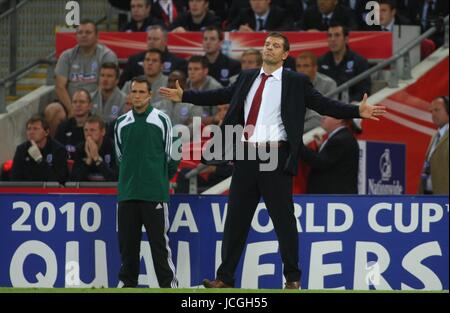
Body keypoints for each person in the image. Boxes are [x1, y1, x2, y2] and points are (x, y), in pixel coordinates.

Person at [160, 32, 386, 289]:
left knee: (283, 220)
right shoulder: (246, 77)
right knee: (235, 219)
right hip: (245, 155)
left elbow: (324, 105)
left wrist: (356, 110)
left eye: (276, 46)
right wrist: (186, 96)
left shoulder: (295, 81)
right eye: (267, 44)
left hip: (275, 156)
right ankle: (224, 278)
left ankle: (292, 278)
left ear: (285, 54)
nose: (269, 48)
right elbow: (221, 95)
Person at [114, 76, 179, 288]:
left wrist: (158, 179)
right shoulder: (120, 123)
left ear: (150, 95)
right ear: (129, 94)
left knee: (159, 245)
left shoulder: (162, 120)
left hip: (154, 194)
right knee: (127, 245)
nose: (138, 96)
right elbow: (120, 157)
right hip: (128, 193)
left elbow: (171, 156)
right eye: (134, 92)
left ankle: (168, 285)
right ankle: (127, 284)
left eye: (142, 92)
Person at [55, 19, 118, 117]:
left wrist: (87, 107)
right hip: (70, 104)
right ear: (76, 36)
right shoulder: (66, 56)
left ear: (97, 36)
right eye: (80, 32)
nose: (83, 35)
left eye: (88, 32)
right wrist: (72, 109)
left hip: (96, 103)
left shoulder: (107, 55)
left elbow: (106, 86)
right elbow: (60, 86)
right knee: (53, 110)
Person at [301, 117, 359, 194]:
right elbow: (331, 160)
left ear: (339, 119)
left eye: (328, 115)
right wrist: (321, 148)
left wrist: (298, 145)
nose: (323, 117)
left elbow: (320, 163)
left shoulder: (340, 139)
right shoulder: (342, 136)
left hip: (333, 198)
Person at [318, 22, 371, 103]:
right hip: (326, 108)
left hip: (350, 108)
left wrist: (345, 105)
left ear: (346, 39)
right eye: (330, 36)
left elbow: (364, 91)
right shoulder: (321, 61)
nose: (332, 39)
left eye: (337, 35)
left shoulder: (359, 62)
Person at [119, 25, 186, 86]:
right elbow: (122, 84)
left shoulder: (178, 63)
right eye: (149, 39)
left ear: (165, 41)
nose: (151, 42)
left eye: (155, 39)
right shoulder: (134, 60)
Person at [11, 115, 68, 183]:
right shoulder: (21, 149)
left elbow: (58, 181)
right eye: (29, 129)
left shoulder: (59, 150)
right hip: (27, 191)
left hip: (49, 191)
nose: (31, 132)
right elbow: (14, 178)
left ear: (46, 132)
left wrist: (39, 160)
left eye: (35, 129)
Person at [70, 115, 118, 182]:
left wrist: (97, 159)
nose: (88, 134)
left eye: (92, 130)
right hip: (87, 191)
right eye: (86, 130)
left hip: (108, 190)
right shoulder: (80, 148)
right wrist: (88, 161)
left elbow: (115, 179)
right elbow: (74, 180)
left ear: (103, 132)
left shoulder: (114, 147)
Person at [419, 96, 449, 195]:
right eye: (431, 111)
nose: (433, 114)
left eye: (437, 110)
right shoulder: (435, 136)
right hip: (430, 195)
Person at [55, 89, 93, 160]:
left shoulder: (95, 127)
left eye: (82, 102)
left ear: (90, 106)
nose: (78, 105)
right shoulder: (63, 127)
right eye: (75, 102)